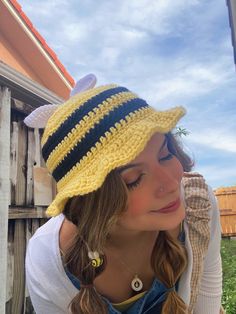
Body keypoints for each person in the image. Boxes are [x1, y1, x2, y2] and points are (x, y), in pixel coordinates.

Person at [24, 75, 223, 314]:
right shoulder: (47, 261)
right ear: (89, 201)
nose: (171, 183)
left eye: (166, 154)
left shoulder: (197, 206)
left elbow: (207, 298)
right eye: (134, 179)